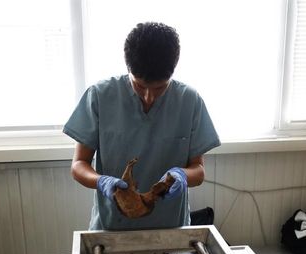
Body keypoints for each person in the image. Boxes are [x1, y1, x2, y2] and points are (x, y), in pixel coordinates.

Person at [64, 22, 220, 230]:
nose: (148, 96)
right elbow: (78, 165)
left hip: (170, 228)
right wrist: (101, 182)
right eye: (139, 86)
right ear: (128, 68)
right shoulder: (100, 96)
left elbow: (198, 171)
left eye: (160, 88)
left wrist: (183, 176)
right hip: (112, 227)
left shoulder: (189, 101)